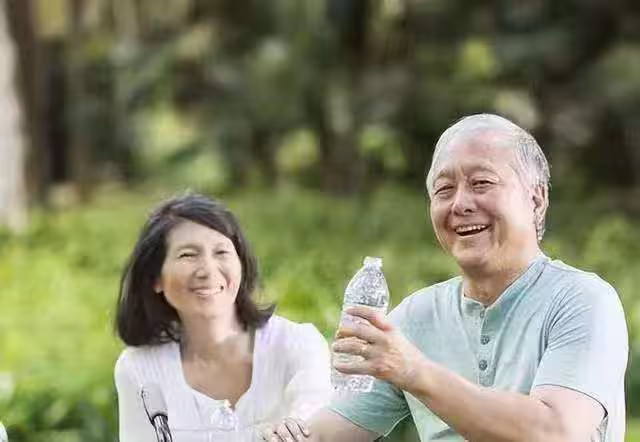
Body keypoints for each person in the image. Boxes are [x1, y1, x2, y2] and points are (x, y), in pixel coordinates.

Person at [299, 114, 629, 441]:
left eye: (481, 183)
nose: (460, 204)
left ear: (536, 198)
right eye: (444, 189)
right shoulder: (417, 316)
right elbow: (326, 435)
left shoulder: (582, 300)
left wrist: (415, 372)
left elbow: (556, 432)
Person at [114, 193, 332, 441]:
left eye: (221, 252)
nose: (208, 270)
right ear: (155, 278)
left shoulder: (298, 344)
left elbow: (317, 427)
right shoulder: (138, 368)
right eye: (188, 255)